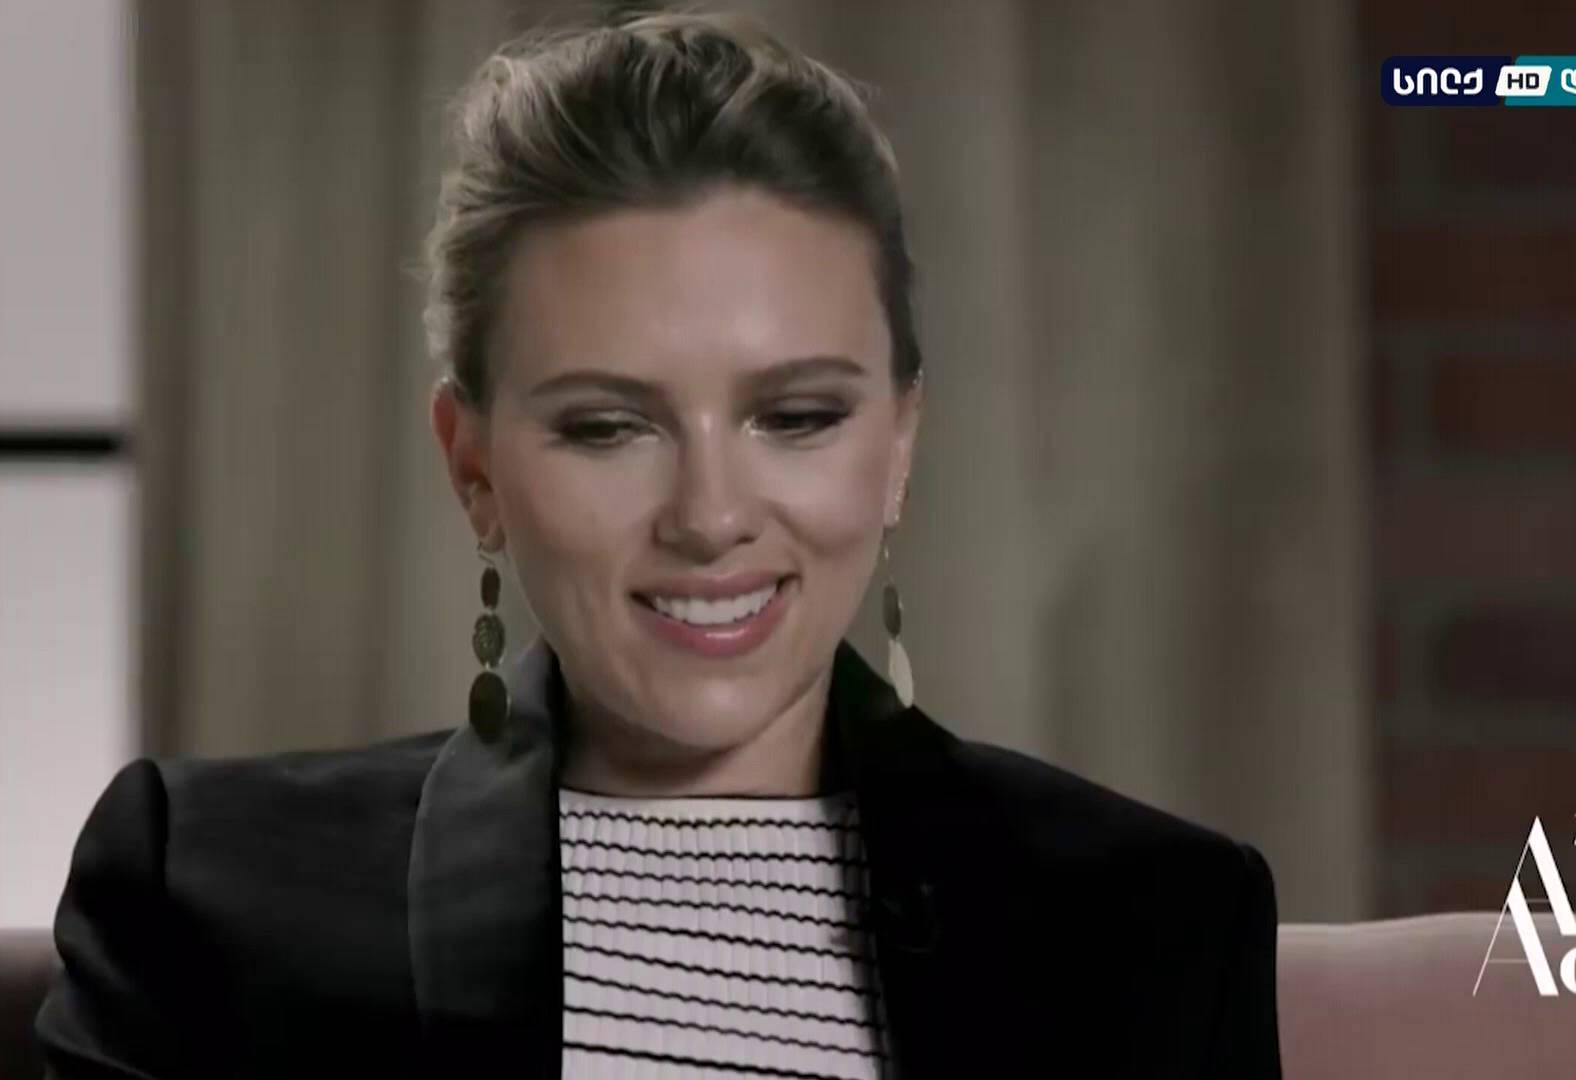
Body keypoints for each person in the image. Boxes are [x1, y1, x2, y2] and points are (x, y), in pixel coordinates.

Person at [35, 10, 1280, 1078]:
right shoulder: (204, 898)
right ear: (474, 467)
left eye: (798, 416)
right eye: (608, 426)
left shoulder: (1156, 924)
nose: (710, 515)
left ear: (899, 444)